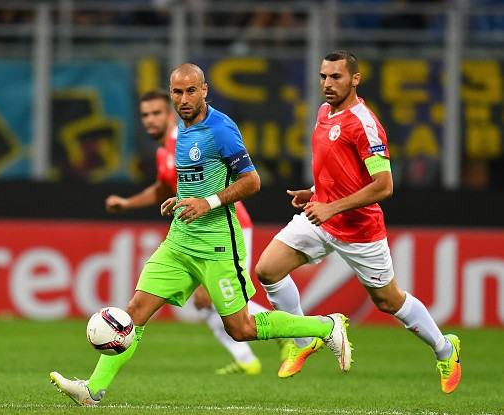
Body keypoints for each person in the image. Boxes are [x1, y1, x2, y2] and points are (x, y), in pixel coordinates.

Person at [50, 63, 352, 407]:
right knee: (134, 311)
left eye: (191, 91)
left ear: (204, 90)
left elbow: (252, 182)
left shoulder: (221, 129)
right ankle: (93, 390)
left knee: (240, 328)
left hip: (217, 244)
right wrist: (181, 199)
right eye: (177, 92)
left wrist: (207, 203)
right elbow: (201, 176)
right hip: (179, 241)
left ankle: (325, 327)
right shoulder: (181, 129)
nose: (184, 99)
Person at [255, 50, 461, 393]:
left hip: (359, 230)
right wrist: (314, 191)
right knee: (267, 270)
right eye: (323, 76)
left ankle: (445, 349)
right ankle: (306, 339)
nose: (327, 84)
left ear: (355, 79)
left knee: (388, 301)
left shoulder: (364, 123)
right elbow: (341, 171)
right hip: (321, 214)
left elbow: (384, 185)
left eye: (336, 77)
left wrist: (332, 207)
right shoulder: (323, 113)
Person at [105, 89, 289, 375]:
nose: (150, 121)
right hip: (197, 230)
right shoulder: (165, 150)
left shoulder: (189, 136)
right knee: (208, 304)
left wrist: (209, 204)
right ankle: (248, 357)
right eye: (144, 115)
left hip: (227, 225)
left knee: (212, 301)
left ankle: (281, 334)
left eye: (156, 113)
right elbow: (163, 189)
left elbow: (240, 180)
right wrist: (128, 203)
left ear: (170, 113)